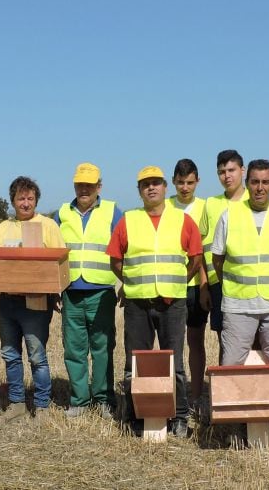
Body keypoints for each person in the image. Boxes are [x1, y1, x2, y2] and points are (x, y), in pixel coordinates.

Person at [108, 166, 204, 438]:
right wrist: (131, 280)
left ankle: (180, 417)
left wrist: (178, 281)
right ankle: (135, 417)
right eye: (145, 184)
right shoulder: (128, 220)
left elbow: (196, 258)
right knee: (136, 363)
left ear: (165, 187)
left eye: (156, 183)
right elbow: (116, 259)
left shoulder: (183, 220)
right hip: (137, 302)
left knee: (175, 363)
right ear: (139, 191)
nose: (151, 188)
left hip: (173, 302)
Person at [211, 159, 269, 366]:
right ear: (247, 182)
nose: (260, 188)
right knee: (233, 364)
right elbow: (217, 258)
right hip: (238, 305)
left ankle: (267, 400)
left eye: (265, 182)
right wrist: (232, 284)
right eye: (254, 182)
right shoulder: (229, 215)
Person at [0, 176, 66, 421]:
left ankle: (42, 405)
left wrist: (55, 291)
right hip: (8, 302)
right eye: (21, 198)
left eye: (30, 198)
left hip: (36, 301)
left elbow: (59, 262)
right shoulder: (4, 227)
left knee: (37, 355)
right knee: (10, 354)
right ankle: (17, 403)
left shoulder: (48, 225)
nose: (25, 203)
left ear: (36, 200)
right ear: (12, 200)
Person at [53, 162, 123, 418]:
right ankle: (79, 400)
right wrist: (53, 290)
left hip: (102, 291)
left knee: (102, 347)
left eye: (89, 185)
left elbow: (126, 249)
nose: (84, 189)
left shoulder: (114, 212)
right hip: (70, 292)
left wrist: (126, 283)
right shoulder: (61, 214)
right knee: (74, 349)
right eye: (80, 184)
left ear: (99, 186)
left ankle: (104, 398)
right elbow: (53, 254)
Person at [166, 158, 211, 404]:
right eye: (181, 182)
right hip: (167, 286)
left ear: (198, 182)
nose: (185, 187)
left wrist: (203, 285)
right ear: (173, 182)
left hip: (193, 288)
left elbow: (203, 251)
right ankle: (171, 393)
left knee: (195, 341)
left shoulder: (205, 208)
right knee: (170, 344)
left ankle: (195, 395)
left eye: (190, 183)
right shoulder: (163, 206)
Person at [198, 150, 246, 352]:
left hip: (249, 284)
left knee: (255, 344)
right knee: (226, 344)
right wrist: (204, 286)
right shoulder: (210, 204)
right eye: (221, 172)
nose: (227, 176)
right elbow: (200, 247)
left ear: (242, 171)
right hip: (219, 284)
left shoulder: (257, 200)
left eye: (231, 170)